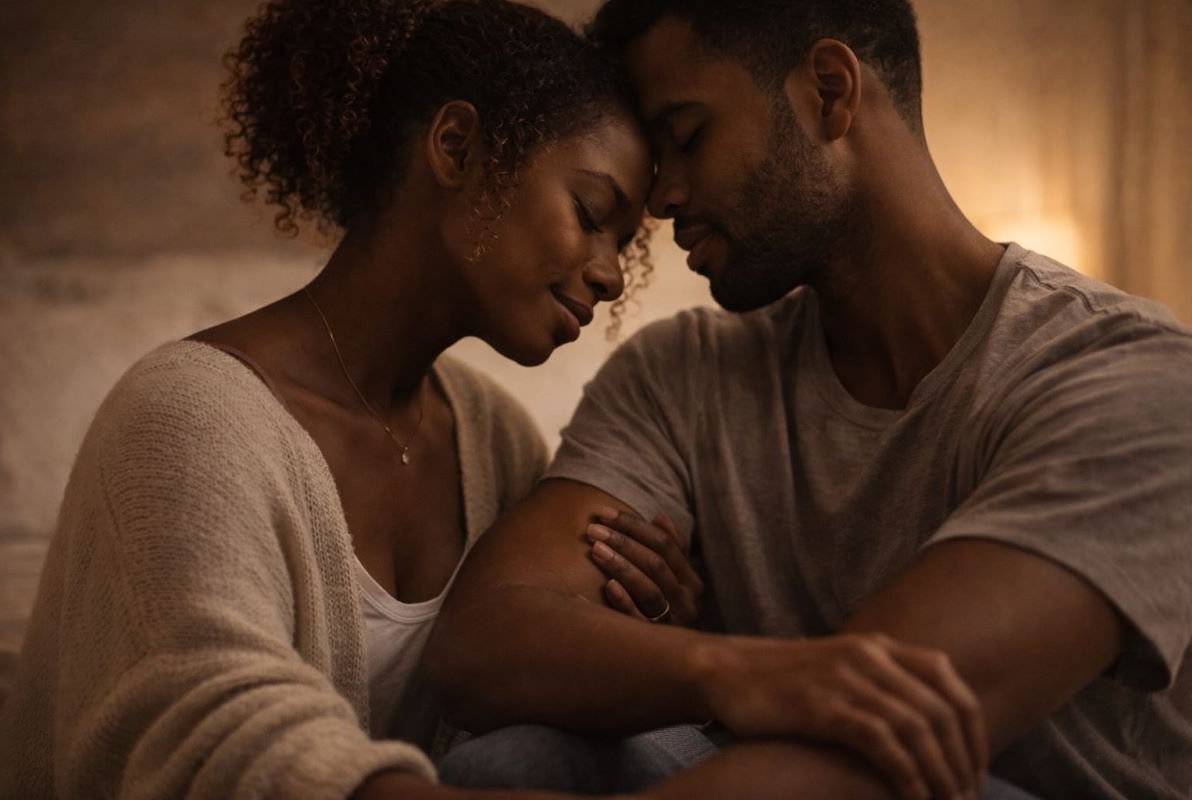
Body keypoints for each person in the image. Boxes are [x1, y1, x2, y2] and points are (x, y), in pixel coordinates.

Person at [426, 1, 1192, 798]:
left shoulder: (1131, 379)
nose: (661, 201)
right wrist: (730, 670)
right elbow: (479, 644)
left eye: (686, 136)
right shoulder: (681, 371)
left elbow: (887, 723)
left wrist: (709, 678)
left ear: (829, 92)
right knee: (509, 765)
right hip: (775, 761)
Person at [0, 0, 664, 797]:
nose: (612, 273)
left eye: (624, 244)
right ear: (456, 147)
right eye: (591, 214)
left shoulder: (499, 442)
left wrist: (643, 632)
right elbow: (212, 723)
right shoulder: (185, 419)